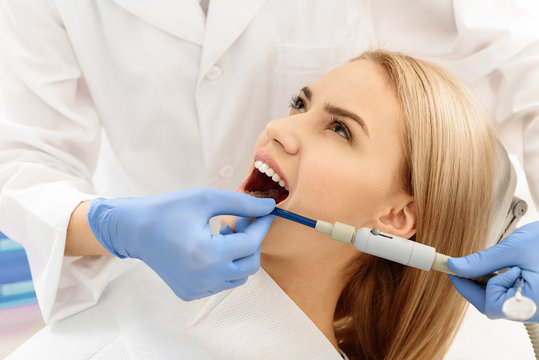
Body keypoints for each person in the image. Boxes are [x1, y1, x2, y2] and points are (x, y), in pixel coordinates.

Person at [0, 0, 538, 329]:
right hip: (140, 285)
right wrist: (109, 226)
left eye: (340, 128)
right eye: (298, 103)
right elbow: (21, 156)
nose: (277, 128)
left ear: (398, 218)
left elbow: (527, 72)